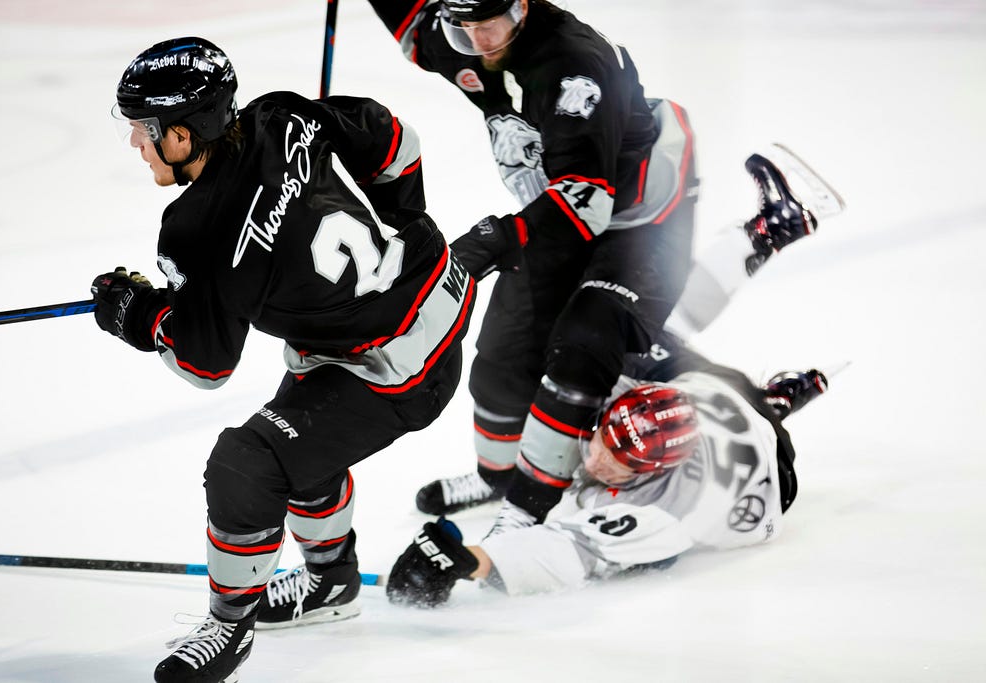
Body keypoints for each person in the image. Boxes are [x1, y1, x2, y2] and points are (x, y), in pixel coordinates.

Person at [94, 37, 475, 682]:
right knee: (295, 433)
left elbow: (205, 365)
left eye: (144, 127)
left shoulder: (194, 230)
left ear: (183, 135)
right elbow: (393, 138)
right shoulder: (281, 117)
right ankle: (331, 585)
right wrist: (403, 217)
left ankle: (226, 625)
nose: (135, 141)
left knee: (247, 461)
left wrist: (140, 316)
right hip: (435, 294)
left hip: (393, 369)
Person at [365, 0, 704, 536]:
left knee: (583, 341)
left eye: (488, 25)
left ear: (521, 7)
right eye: (465, 27)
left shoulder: (573, 67)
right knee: (504, 353)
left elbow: (587, 199)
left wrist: (498, 238)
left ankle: (523, 511)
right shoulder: (474, 34)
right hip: (560, 206)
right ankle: (501, 479)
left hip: (642, 220)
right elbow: (413, 29)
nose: (477, 41)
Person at [384, 331, 830, 606]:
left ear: (651, 473)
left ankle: (776, 401)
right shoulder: (627, 394)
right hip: (712, 386)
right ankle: (498, 474)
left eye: (617, 465)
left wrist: (470, 562)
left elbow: (571, 550)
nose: (595, 460)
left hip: (770, 465)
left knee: (645, 557)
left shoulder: (666, 511)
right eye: (602, 441)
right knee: (604, 333)